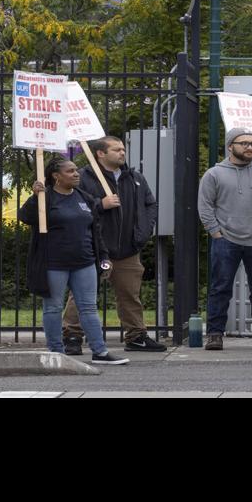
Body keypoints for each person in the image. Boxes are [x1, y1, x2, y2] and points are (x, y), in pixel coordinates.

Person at [19, 156, 127, 365]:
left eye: (76, 170)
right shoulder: (45, 198)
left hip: (85, 262)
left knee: (88, 307)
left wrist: (103, 257)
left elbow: (95, 230)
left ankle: (100, 351)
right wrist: (35, 197)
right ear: (56, 176)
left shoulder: (84, 197)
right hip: (54, 264)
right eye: (70, 171)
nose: (76, 174)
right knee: (53, 308)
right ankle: (56, 351)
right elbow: (25, 216)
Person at [63, 136, 161, 354]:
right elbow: (72, 206)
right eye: (116, 149)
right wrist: (100, 204)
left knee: (130, 294)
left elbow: (150, 204)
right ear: (100, 153)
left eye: (123, 149)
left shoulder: (134, 178)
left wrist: (142, 232)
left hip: (127, 249)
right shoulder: (83, 178)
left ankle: (136, 336)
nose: (122, 153)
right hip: (95, 249)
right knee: (81, 294)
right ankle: (72, 336)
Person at [198, 126, 252, 350]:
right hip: (226, 240)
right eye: (243, 143)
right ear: (230, 146)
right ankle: (215, 334)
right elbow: (205, 206)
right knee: (220, 288)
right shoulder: (214, 174)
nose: (249, 147)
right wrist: (216, 233)